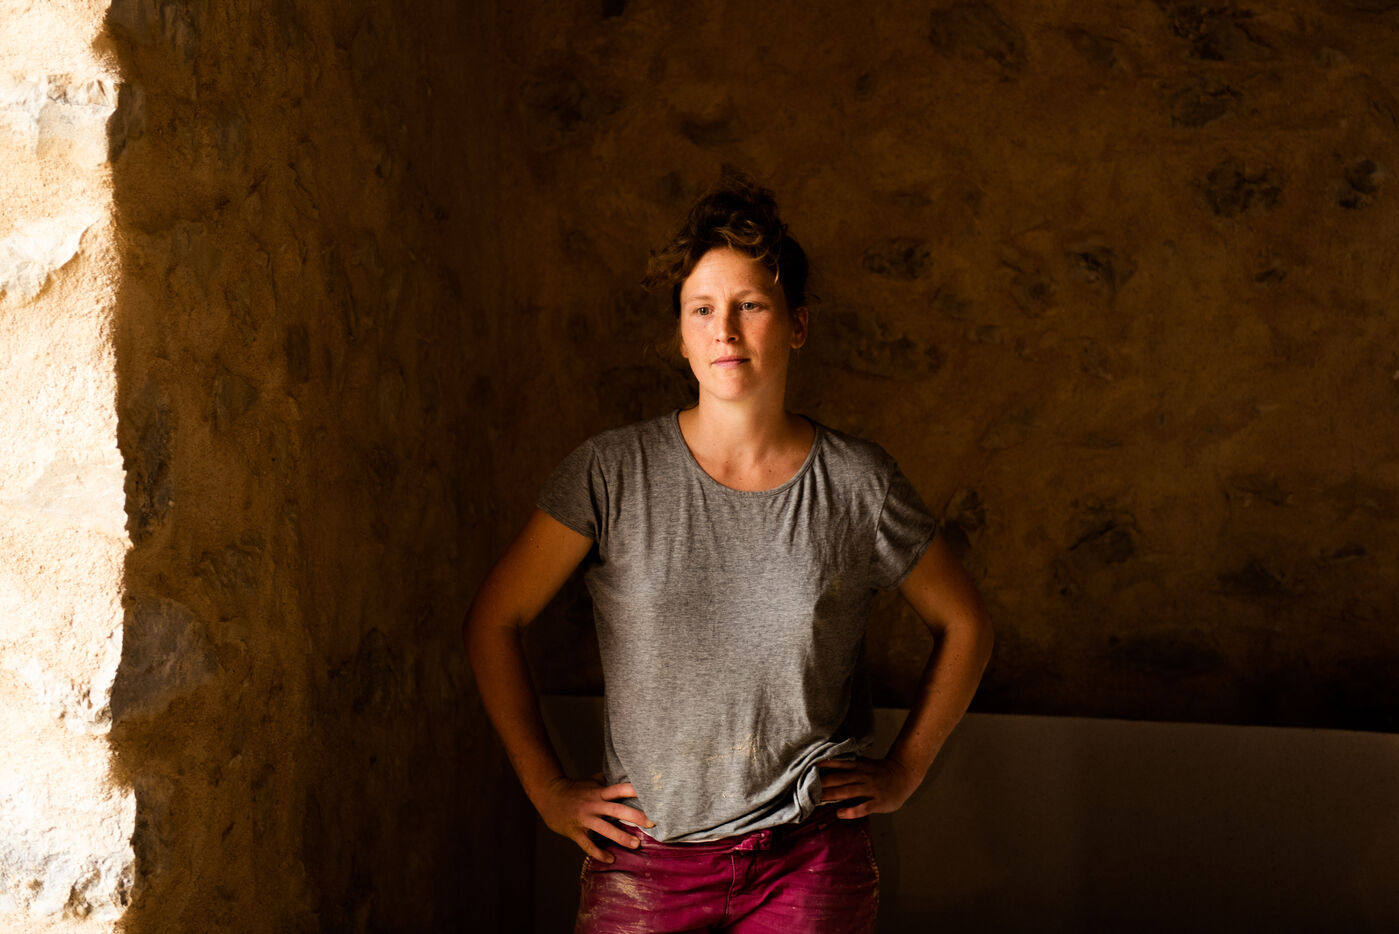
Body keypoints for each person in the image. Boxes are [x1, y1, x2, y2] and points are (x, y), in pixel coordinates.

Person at [464, 171, 994, 932]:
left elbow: (966, 624)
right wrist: (546, 787)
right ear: (681, 335)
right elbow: (494, 620)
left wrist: (905, 771)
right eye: (703, 309)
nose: (726, 331)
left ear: (797, 325)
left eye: (751, 305)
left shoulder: (857, 483)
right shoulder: (610, 473)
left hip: (807, 857)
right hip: (646, 856)